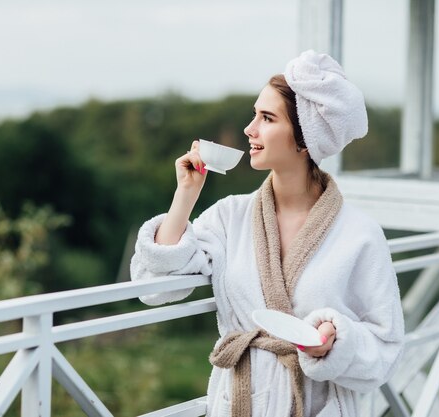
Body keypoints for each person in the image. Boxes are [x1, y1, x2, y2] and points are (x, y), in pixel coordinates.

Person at [130, 50, 404, 417]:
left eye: (267, 118)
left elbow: (385, 348)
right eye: (254, 114)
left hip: (317, 405)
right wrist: (186, 195)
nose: (250, 129)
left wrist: (336, 344)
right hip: (241, 401)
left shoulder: (360, 233)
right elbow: (156, 285)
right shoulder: (231, 217)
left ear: (305, 138)